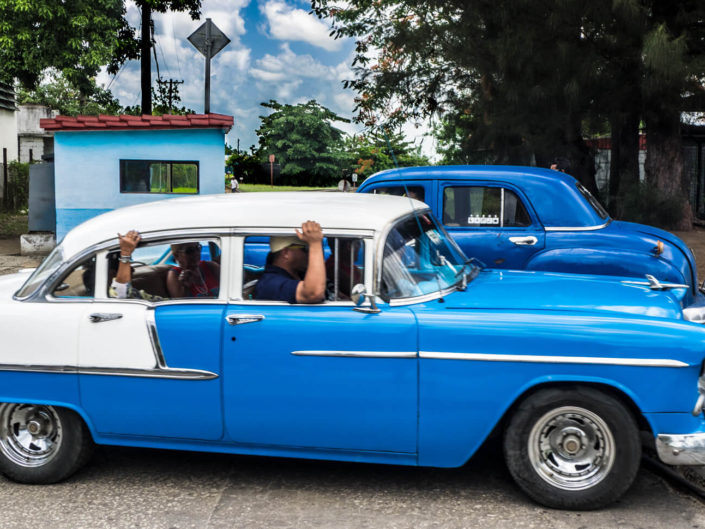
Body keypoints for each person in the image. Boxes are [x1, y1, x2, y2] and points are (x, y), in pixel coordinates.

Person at [254, 220, 326, 303]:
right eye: (306, 249)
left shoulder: (297, 274)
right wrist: (315, 243)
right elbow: (313, 294)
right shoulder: (270, 283)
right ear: (286, 253)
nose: (310, 254)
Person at [108, 230, 164, 301]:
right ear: (111, 274)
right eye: (128, 267)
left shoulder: (138, 294)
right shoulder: (115, 297)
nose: (133, 269)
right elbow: (120, 293)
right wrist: (125, 253)